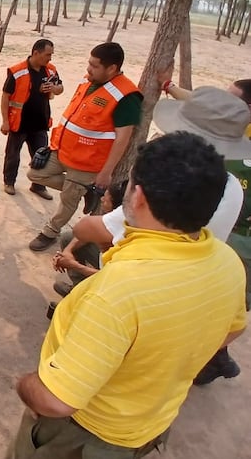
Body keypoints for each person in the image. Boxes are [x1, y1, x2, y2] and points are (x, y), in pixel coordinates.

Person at [9, 131, 247, 459]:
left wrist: (24, 384)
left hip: (84, 436)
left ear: (138, 197)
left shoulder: (116, 293)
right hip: (150, 427)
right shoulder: (228, 264)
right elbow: (234, 329)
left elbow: (55, 400)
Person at [74, 86, 251, 386]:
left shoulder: (163, 185)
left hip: (137, 291)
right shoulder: (232, 186)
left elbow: (91, 229)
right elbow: (236, 327)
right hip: (186, 291)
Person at [27, 42, 142, 251]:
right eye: (89, 63)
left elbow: (123, 138)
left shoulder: (126, 96)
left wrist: (106, 172)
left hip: (87, 162)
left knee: (68, 200)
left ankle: (50, 232)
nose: (88, 69)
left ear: (112, 69)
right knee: (35, 174)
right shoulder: (89, 80)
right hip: (62, 151)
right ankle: (82, 190)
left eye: (94, 65)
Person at [1, 39, 63, 199]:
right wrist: (5, 121)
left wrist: (54, 88)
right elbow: (6, 96)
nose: (50, 58)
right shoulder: (17, 71)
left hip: (40, 123)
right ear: (36, 53)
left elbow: (60, 88)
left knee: (41, 156)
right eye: (48, 55)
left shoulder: (51, 70)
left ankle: (38, 186)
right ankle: (9, 182)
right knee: (13, 154)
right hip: (19, 123)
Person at [50, 180, 127, 298]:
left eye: (105, 199)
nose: (101, 200)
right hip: (108, 269)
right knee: (68, 238)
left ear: (116, 207)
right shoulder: (118, 220)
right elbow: (85, 233)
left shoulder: (125, 239)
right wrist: (67, 252)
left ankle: (83, 300)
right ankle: (77, 291)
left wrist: (74, 265)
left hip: (115, 282)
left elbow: (109, 279)